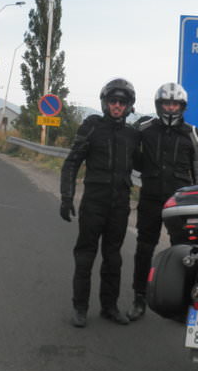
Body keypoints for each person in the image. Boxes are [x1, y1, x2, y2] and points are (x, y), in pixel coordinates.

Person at [60, 78, 140, 328]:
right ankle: (80, 307)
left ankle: (109, 307)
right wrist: (66, 196)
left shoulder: (132, 135)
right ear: (105, 103)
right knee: (85, 256)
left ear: (129, 106)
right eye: (113, 101)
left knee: (113, 258)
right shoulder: (92, 127)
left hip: (119, 206)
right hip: (94, 204)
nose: (117, 105)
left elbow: (146, 165)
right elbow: (72, 162)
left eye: (122, 102)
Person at [127, 82, 198, 321]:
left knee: (184, 252)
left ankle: (182, 303)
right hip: (150, 198)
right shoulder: (144, 127)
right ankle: (139, 298)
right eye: (166, 103)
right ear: (158, 105)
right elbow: (128, 150)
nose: (171, 108)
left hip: (180, 203)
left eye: (175, 104)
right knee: (144, 248)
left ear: (182, 106)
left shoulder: (193, 133)